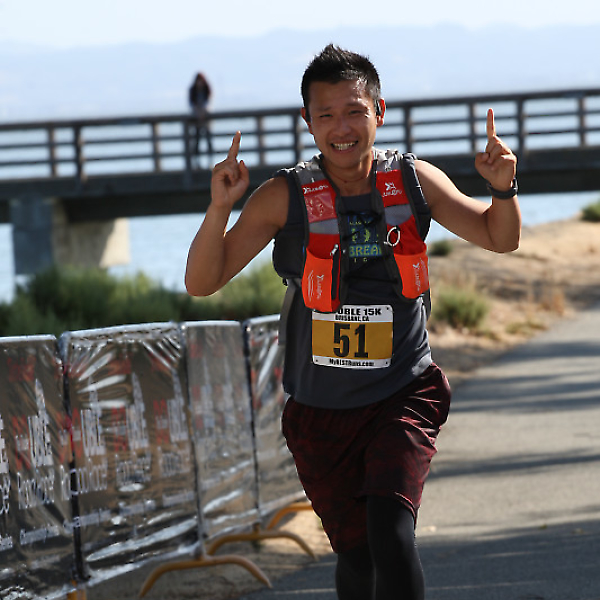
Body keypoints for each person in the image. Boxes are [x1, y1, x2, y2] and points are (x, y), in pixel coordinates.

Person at [185, 45, 520, 600]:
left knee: (390, 533)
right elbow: (203, 281)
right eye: (326, 115)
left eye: (354, 112)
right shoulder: (283, 196)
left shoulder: (414, 181)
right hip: (320, 412)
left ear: (379, 112)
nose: (342, 128)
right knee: (357, 554)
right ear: (307, 122)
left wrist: (503, 188)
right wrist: (220, 206)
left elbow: (498, 237)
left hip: (402, 393)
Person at [188, 72, 213, 166]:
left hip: (206, 119)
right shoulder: (193, 90)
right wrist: (198, 113)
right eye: (198, 81)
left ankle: (210, 161)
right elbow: (192, 104)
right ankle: (196, 162)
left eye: (200, 81)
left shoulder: (207, 89)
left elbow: (208, 103)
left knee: (208, 140)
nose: (199, 83)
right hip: (196, 120)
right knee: (197, 141)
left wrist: (203, 112)